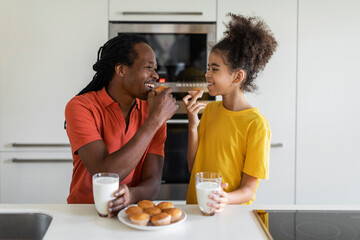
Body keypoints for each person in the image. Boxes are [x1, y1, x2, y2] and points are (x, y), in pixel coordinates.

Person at [65, 33, 177, 217]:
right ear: (121, 70)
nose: (155, 75)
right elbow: (104, 172)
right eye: (148, 68)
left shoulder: (153, 111)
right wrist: (154, 121)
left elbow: (153, 181)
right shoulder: (80, 107)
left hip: (134, 215)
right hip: (84, 214)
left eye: (155, 69)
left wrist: (131, 195)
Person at [183, 13, 278, 213]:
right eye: (208, 67)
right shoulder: (209, 111)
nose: (207, 74)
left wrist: (224, 198)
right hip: (196, 211)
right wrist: (193, 125)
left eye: (214, 69)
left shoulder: (256, 124)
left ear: (237, 76)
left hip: (229, 215)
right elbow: (194, 170)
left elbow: (248, 191)